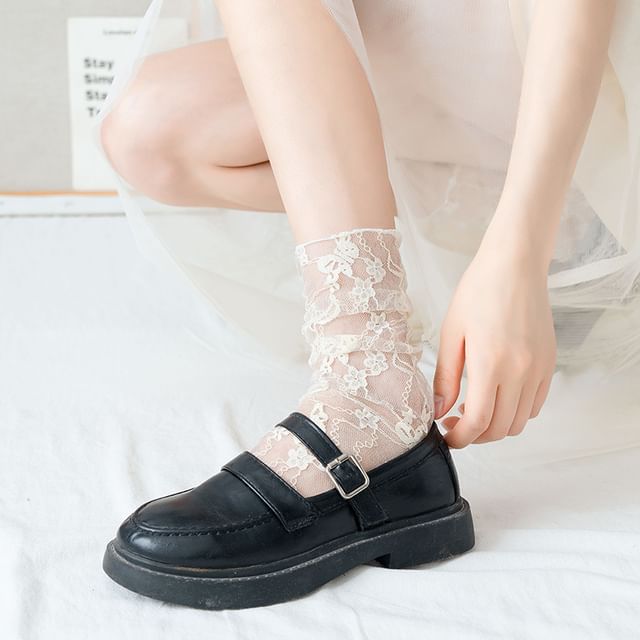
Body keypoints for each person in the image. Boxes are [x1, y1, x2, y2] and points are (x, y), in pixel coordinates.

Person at [96, 0, 634, 609]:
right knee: (145, 132)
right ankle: (383, 351)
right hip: (439, 64)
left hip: (573, 60)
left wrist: (520, 257)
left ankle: (384, 375)